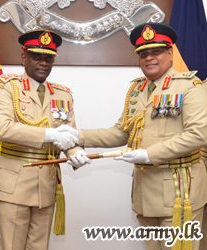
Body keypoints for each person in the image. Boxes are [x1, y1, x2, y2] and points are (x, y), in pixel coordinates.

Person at [62, 23, 207, 250]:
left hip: (180, 193)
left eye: (156, 52)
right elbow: (121, 132)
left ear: (170, 53)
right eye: (143, 54)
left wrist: (150, 154)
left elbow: (199, 134)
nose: (149, 58)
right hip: (144, 194)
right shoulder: (137, 90)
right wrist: (78, 136)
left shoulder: (190, 86)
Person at [0, 29, 91, 250]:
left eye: (48, 58)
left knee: (39, 247)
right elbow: (3, 130)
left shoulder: (63, 95)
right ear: (24, 57)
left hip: (47, 184)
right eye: (37, 57)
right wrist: (49, 135)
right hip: (14, 183)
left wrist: (76, 153)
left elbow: (69, 136)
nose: (43, 63)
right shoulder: (7, 87)